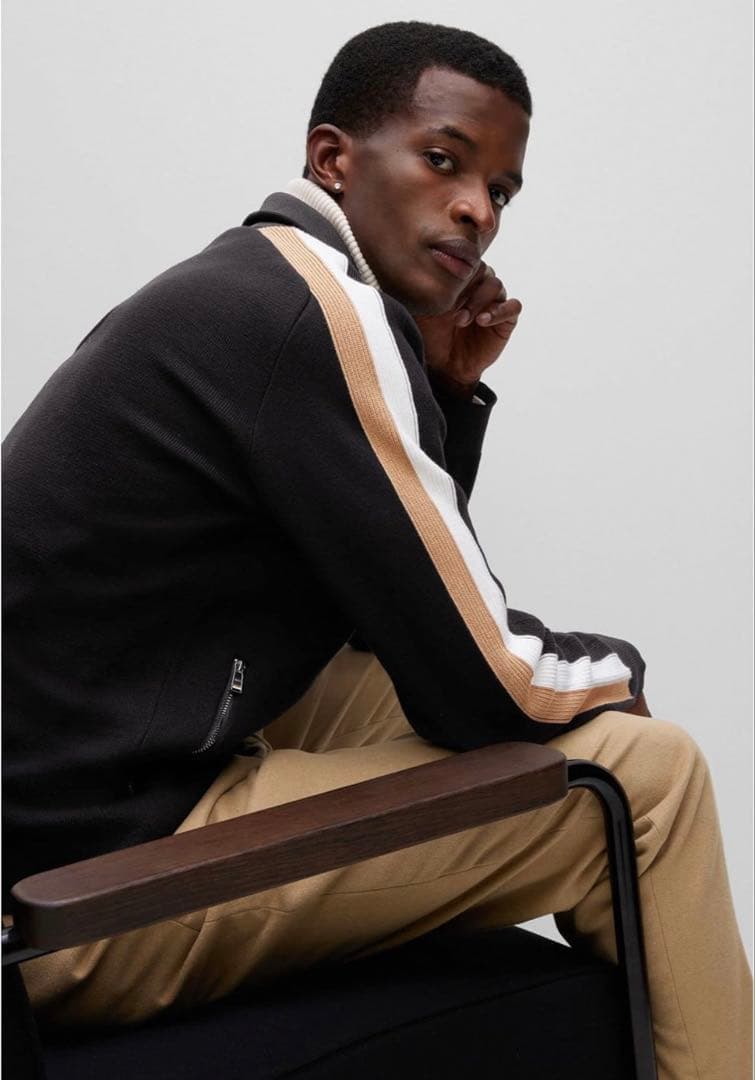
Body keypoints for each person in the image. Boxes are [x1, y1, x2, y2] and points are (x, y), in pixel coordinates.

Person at [2, 20, 751, 1079]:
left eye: (500, 190)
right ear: (332, 159)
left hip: (70, 799)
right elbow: (488, 682)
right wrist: (620, 677)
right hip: (75, 893)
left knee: (387, 681)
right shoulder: (317, 313)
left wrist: (440, 396)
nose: (477, 210)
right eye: (444, 161)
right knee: (648, 777)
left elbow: (380, 604)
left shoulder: (245, 284)